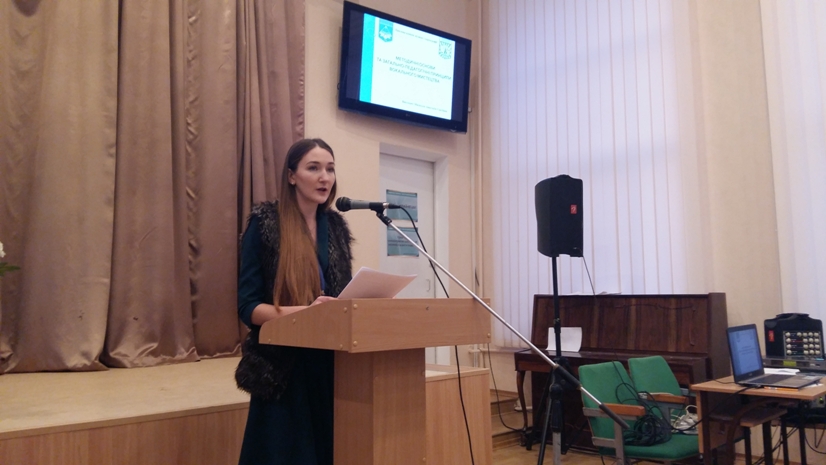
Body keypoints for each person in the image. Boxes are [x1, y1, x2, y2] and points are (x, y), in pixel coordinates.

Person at [235, 138, 353, 465]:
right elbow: (248, 308)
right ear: (291, 176)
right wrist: (306, 312)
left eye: (330, 169)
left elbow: (341, 296)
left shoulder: (336, 227)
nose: (324, 177)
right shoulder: (265, 224)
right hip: (282, 367)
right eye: (313, 168)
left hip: (329, 364)